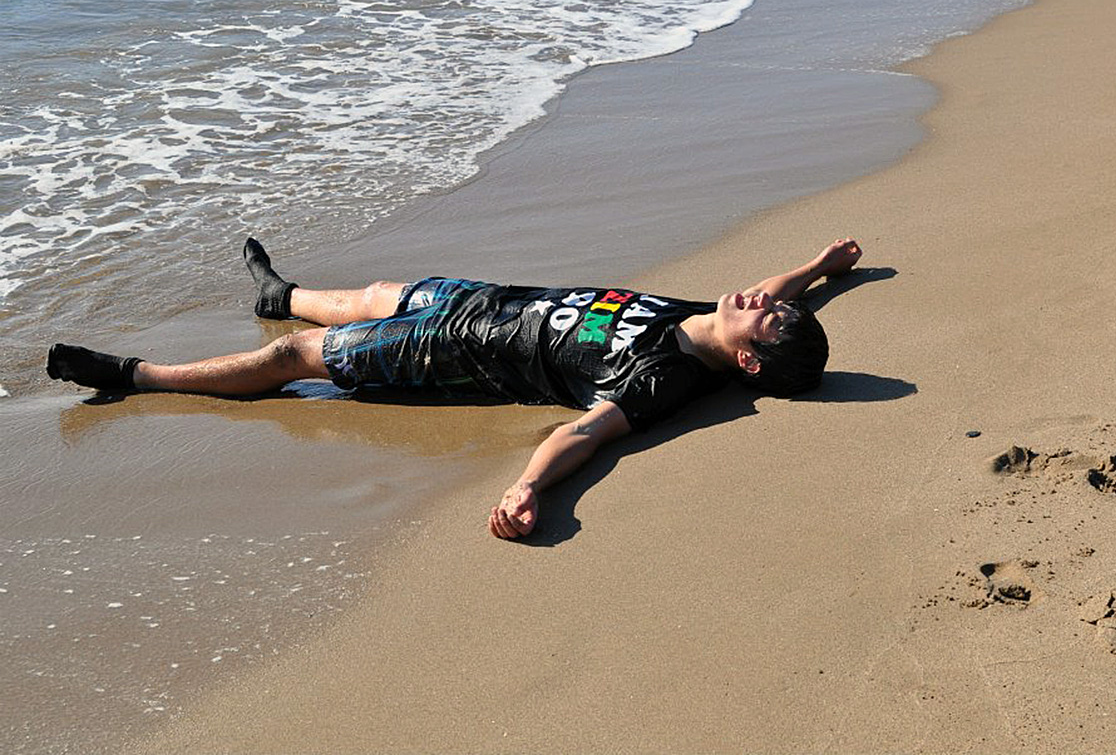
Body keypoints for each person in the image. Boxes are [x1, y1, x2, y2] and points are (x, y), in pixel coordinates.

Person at [46, 237, 862, 539]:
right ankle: (278, 292)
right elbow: (773, 292)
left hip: (454, 351)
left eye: (765, 319)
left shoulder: (664, 377)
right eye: (767, 304)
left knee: (298, 358)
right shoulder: (703, 319)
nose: (758, 302)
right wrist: (819, 268)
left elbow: (586, 432)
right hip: (486, 299)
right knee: (377, 292)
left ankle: (132, 375)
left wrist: (528, 487)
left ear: (749, 364)